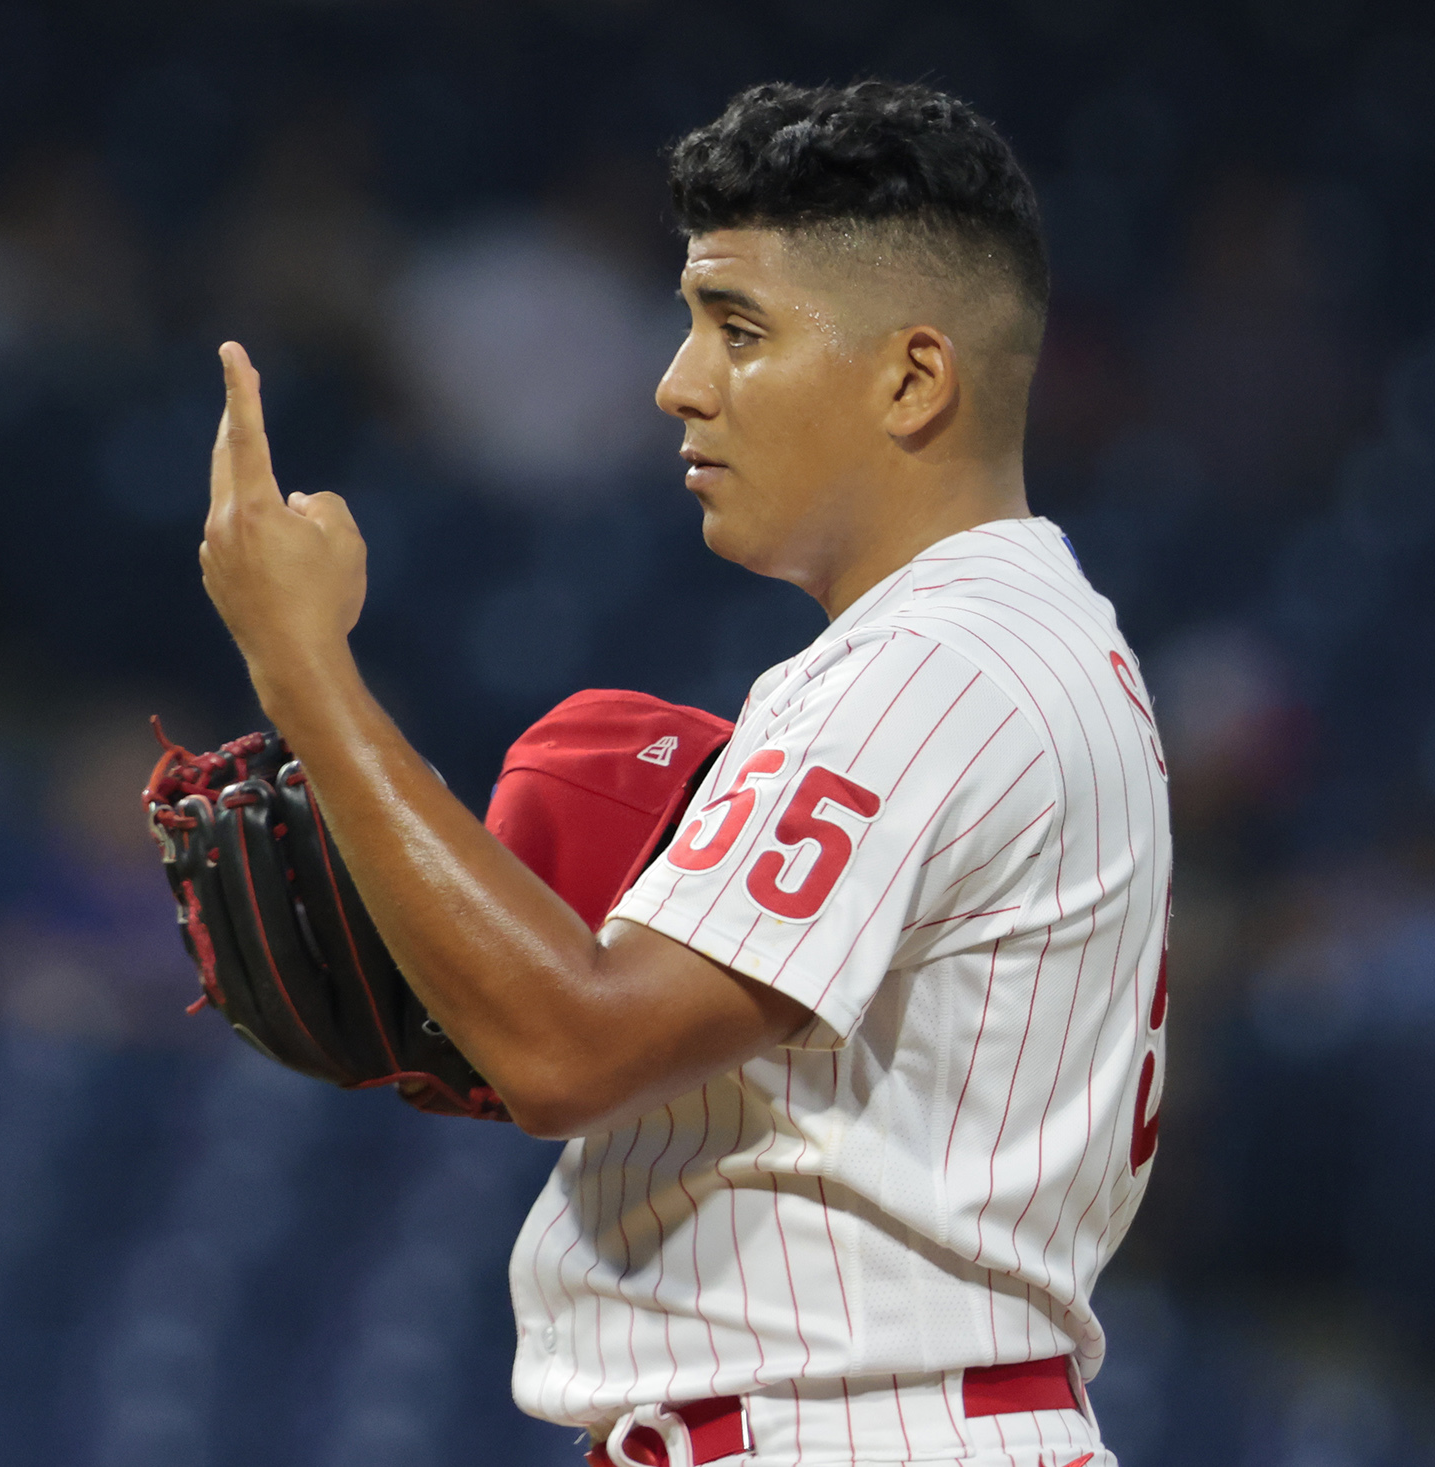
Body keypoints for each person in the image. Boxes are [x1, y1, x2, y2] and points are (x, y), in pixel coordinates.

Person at [197, 80, 1170, 1467]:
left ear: (912, 377)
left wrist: (306, 672)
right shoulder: (1030, 638)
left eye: (740, 328)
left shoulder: (936, 665)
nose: (679, 380)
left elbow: (567, 1049)